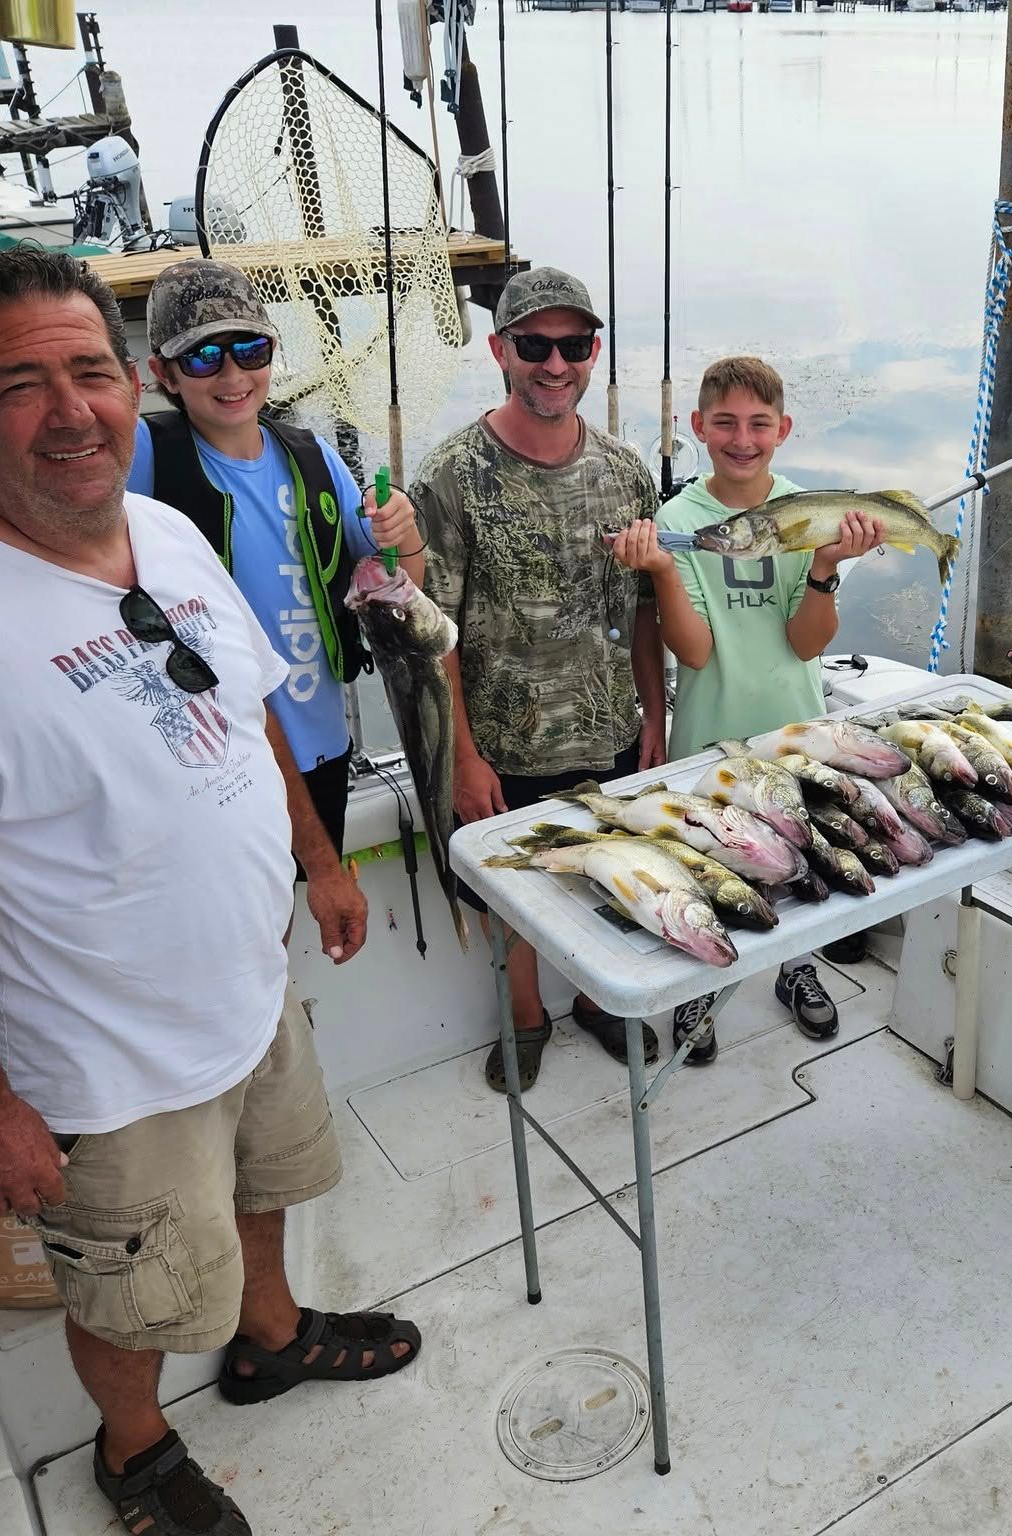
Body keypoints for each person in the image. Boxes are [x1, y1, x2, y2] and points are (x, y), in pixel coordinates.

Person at [0, 247, 415, 1536]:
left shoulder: (165, 531)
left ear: (126, 384)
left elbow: (247, 704)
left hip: (249, 985)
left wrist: (321, 863)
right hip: (107, 1065)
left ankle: (272, 1337)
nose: (70, 412)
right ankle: (136, 1451)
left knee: (266, 1186)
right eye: (22, 385)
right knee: (131, 1296)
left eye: (90, 373)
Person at [0, 256, 422, 872]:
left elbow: (404, 596)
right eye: (203, 357)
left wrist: (406, 534)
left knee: (291, 900)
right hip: (220, 754)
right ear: (160, 375)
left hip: (323, 742)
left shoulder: (315, 458)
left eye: (250, 349)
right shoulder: (144, 451)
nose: (232, 374)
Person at [412, 267, 668, 1093]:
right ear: (500, 351)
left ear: (594, 353)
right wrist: (462, 756)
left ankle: (595, 1000)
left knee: (611, 877)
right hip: (501, 746)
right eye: (534, 345)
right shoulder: (449, 476)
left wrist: (654, 717)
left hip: (610, 733)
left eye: (574, 345)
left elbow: (645, 610)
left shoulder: (627, 471)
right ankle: (525, 1015)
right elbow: (432, 634)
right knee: (511, 899)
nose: (555, 365)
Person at [609, 355, 884, 1060]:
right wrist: (664, 571)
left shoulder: (808, 511)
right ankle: (699, 986)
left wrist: (824, 567)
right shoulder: (679, 521)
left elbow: (806, 642)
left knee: (800, 857)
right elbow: (695, 652)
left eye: (759, 424)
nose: (742, 439)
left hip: (796, 733)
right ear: (697, 427)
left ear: (783, 430)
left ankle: (798, 969)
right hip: (707, 739)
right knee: (708, 864)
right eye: (725, 423)